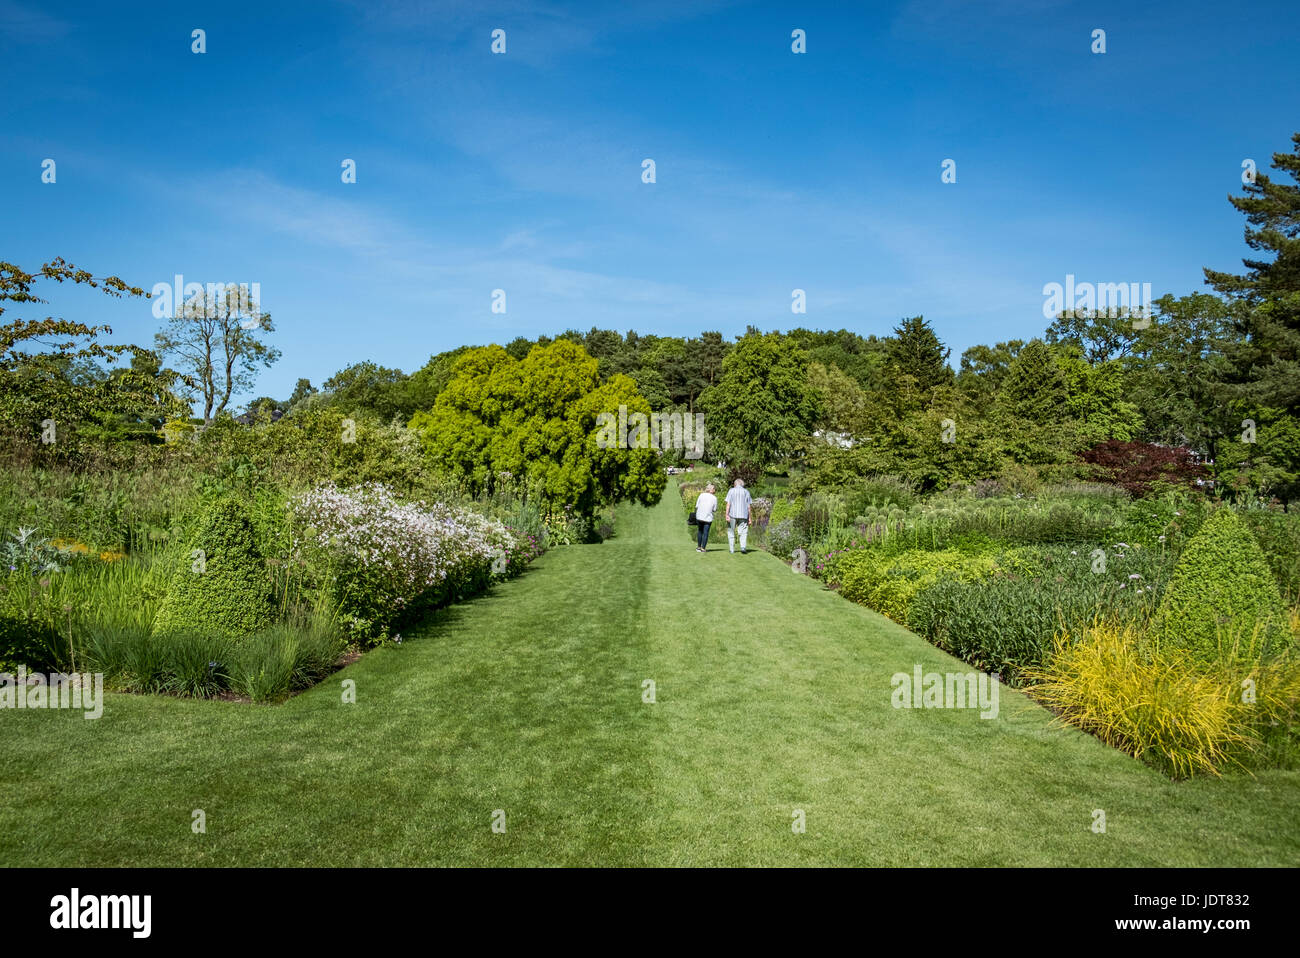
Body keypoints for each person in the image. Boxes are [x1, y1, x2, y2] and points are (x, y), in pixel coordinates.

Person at [725, 478, 752, 554]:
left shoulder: (731, 491)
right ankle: (743, 547)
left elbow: (728, 504)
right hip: (743, 515)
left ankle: (732, 549)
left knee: (731, 531)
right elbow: (748, 506)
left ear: (735, 484)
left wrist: (726, 514)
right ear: (742, 484)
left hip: (732, 514)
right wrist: (749, 517)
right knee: (743, 532)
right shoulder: (746, 491)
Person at [693, 483, 717, 552]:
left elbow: (697, 506)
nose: (715, 490)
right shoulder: (714, 498)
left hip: (699, 516)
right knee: (705, 532)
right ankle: (703, 548)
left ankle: (698, 547)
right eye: (714, 489)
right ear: (711, 490)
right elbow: (714, 509)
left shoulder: (701, 495)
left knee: (700, 531)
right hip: (708, 517)